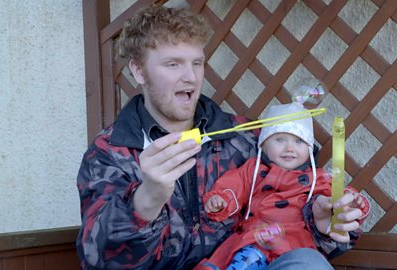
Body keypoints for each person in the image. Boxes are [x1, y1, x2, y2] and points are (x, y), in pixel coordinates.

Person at [76, 4, 368, 270]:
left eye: (197, 63)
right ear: (138, 71)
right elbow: (98, 260)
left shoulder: (248, 138)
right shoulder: (111, 151)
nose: (190, 77)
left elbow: (300, 206)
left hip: (245, 263)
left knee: (309, 262)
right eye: (173, 64)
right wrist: (145, 201)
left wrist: (319, 223)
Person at [197, 102, 370, 270]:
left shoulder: (316, 178)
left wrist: (351, 202)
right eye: (280, 139)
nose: (289, 148)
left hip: (292, 247)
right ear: (264, 146)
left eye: (299, 141)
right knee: (244, 260)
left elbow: (333, 197)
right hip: (254, 241)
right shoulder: (253, 170)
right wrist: (222, 199)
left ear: (309, 148)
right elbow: (234, 185)